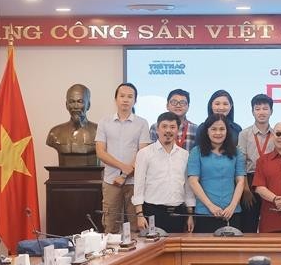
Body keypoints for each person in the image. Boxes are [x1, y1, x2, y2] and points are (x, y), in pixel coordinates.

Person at [95, 82, 150, 233]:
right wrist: (122, 168)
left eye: (130, 96)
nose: (125, 99)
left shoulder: (142, 123)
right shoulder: (104, 122)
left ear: (135, 101)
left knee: (136, 226)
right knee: (110, 224)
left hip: (135, 182)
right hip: (111, 181)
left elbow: (142, 153)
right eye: (122, 96)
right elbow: (100, 152)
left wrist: (125, 174)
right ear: (116, 99)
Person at [132, 112, 195, 233]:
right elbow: (139, 185)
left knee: (177, 250)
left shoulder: (185, 155)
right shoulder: (145, 153)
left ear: (178, 129)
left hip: (178, 213)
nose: (168, 130)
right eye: (164, 126)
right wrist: (139, 214)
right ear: (157, 129)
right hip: (153, 212)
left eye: (172, 127)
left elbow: (188, 187)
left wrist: (190, 215)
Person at [187, 113, 246, 233]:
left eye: (222, 129)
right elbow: (193, 181)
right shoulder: (196, 152)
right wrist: (210, 206)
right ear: (207, 131)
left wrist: (232, 206)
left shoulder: (236, 152)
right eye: (213, 129)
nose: (218, 133)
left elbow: (240, 181)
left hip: (231, 212)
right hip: (205, 212)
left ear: (227, 131)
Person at [238, 94, 275, 233]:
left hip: (271, 181)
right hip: (250, 179)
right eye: (257, 108)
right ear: (252, 111)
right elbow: (240, 162)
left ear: (271, 111)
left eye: (265, 108)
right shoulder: (244, 134)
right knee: (249, 223)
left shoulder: (277, 134)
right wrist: (246, 189)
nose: (261, 112)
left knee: (270, 220)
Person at [46, 83, 99, 166]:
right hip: (64, 177)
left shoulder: (98, 131)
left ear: (88, 105)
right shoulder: (55, 133)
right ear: (66, 105)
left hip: (91, 176)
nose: (75, 106)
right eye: (71, 102)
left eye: (80, 102)